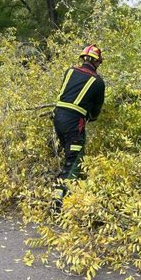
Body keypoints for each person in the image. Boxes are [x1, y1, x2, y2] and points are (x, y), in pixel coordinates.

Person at [52, 44, 106, 207]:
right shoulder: (98, 82)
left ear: (83, 59)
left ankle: (77, 197)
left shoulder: (69, 71)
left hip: (58, 118)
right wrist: (90, 117)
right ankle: (59, 204)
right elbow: (95, 112)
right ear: (97, 62)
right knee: (73, 162)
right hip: (73, 123)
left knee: (71, 157)